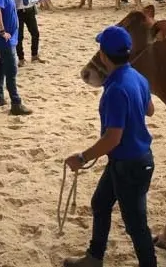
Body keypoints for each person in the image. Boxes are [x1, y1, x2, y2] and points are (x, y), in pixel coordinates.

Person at [63, 25, 156, 267]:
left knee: (136, 224)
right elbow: (150, 110)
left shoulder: (116, 89)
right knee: (100, 203)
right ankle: (95, 257)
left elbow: (112, 138)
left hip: (129, 164)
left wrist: (82, 158)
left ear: (103, 55)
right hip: (133, 159)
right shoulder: (138, 78)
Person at [14, 0, 46, 67]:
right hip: (17, 10)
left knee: (35, 33)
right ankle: (21, 58)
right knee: (19, 36)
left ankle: (34, 55)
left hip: (30, 9)